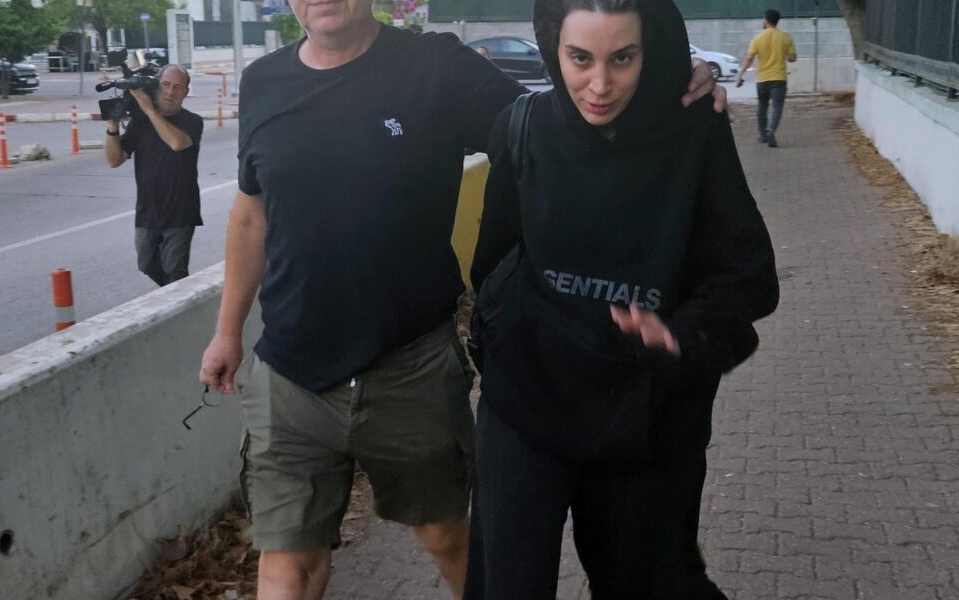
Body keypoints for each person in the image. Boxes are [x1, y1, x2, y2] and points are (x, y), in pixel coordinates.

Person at [197, 0, 728, 596]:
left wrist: (667, 78)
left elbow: (562, 123)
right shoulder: (262, 80)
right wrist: (227, 331)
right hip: (288, 373)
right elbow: (251, 213)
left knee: (449, 540)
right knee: (287, 564)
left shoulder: (435, 66)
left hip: (410, 367)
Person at [463, 0, 779, 598]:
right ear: (553, 50)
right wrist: (501, 338)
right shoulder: (522, 127)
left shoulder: (694, 127)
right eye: (580, 58)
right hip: (526, 405)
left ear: (650, 51)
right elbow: (494, 260)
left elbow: (748, 275)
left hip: (647, 417)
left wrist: (683, 332)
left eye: (623, 59)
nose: (600, 85)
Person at [104, 64, 204, 286]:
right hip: (147, 210)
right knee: (146, 264)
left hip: (180, 212)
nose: (170, 92)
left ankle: (177, 298)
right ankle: (177, 297)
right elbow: (114, 160)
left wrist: (149, 110)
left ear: (186, 92)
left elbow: (176, 143)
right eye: (165, 85)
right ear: (157, 87)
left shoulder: (192, 121)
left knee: (175, 272)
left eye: (177, 87)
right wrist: (112, 127)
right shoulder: (140, 123)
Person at [736, 9, 797, 148]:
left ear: (766, 20)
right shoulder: (785, 37)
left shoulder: (758, 38)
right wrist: (787, 57)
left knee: (762, 107)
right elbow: (793, 57)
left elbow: (749, 58)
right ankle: (771, 130)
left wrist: (741, 75)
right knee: (777, 107)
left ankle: (763, 135)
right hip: (779, 79)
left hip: (762, 79)